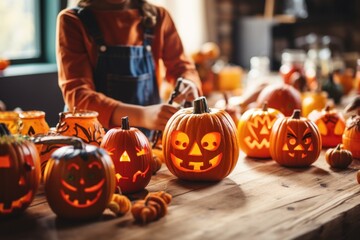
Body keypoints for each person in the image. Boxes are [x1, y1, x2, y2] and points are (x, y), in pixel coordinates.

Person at [56, 0, 202, 133]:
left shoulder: (159, 17)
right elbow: (79, 97)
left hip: (146, 139)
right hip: (92, 141)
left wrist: (189, 84)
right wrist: (143, 116)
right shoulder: (72, 20)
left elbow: (182, 67)